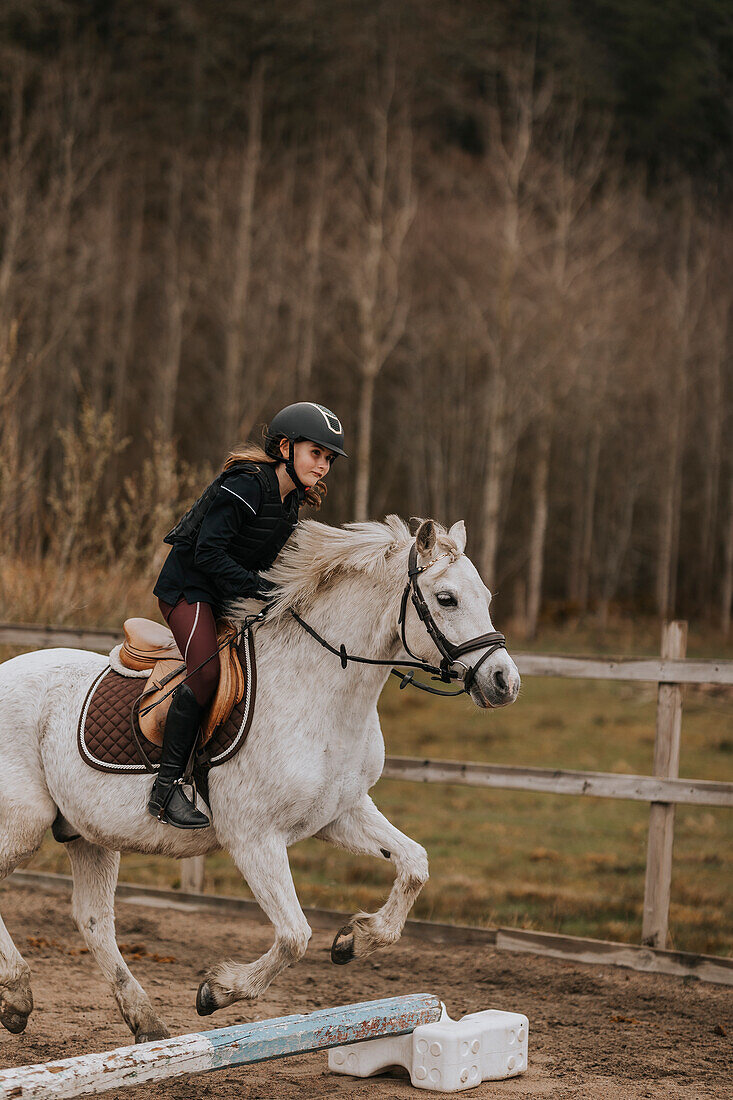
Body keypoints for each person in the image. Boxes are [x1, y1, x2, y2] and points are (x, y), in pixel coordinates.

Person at [149, 402, 347, 829]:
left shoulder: (291, 500)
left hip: (226, 595)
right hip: (188, 588)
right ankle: (165, 790)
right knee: (204, 675)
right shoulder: (244, 485)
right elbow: (207, 553)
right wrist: (262, 590)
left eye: (329, 458)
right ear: (284, 447)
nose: (324, 465)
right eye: (317, 453)